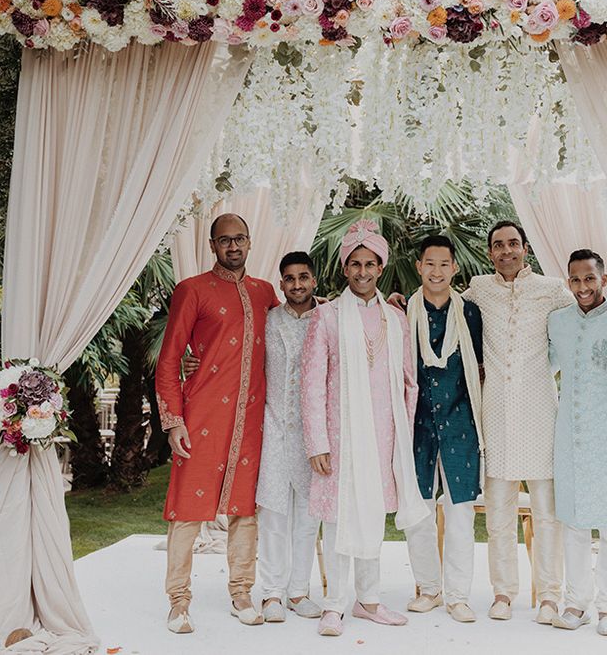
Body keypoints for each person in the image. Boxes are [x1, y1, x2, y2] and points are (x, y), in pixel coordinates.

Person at [301, 219, 428, 637]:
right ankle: (335, 603)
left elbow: (409, 381)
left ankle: (368, 599)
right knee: (339, 517)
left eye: (370, 264)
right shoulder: (327, 316)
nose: (362, 272)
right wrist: (317, 440)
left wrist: (402, 436)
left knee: (372, 514)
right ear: (344, 269)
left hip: (383, 435)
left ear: (381, 267)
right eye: (354, 264)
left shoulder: (396, 318)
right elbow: (312, 383)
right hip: (340, 436)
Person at [155, 213, 280, 633]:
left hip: (252, 419)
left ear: (250, 241)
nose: (233, 246)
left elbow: (295, 330)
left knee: (245, 509)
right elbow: (170, 358)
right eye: (224, 240)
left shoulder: (265, 292)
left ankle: (241, 591)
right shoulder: (191, 290)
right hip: (203, 413)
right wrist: (174, 421)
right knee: (187, 510)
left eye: (240, 238)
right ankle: (178, 600)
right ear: (212, 246)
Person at [462, 221, 573, 623]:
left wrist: (545, 369)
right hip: (496, 415)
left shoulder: (551, 289)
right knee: (499, 513)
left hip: (541, 412)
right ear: (490, 251)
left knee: (547, 513)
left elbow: (572, 330)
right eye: (498, 245)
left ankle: (548, 595)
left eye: (513, 243)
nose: (506, 250)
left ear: (525, 248)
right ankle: (503, 593)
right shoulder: (479, 289)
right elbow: (445, 307)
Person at [403, 235, 484, 623]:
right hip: (416, 426)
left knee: (461, 514)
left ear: (455, 268)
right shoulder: (402, 313)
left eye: (443, 264)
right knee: (418, 513)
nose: (436, 271)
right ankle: (428, 589)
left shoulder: (470, 314)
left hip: (460, 425)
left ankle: (458, 595)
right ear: (419, 267)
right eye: (429, 263)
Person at [256, 251, 322, 624]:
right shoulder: (268, 321)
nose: (297, 284)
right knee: (274, 512)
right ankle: (272, 594)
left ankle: (299, 591)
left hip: (314, 435)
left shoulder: (327, 319)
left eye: (303, 277)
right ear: (281, 283)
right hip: (274, 428)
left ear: (314, 280)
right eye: (290, 278)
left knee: (307, 517)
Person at [548, 249, 607, 636]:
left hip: (604, 438)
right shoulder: (558, 322)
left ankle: (605, 607)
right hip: (569, 436)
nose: (583, 287)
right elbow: (542, 365)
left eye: (589, 278)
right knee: (571, 522)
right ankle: (576, 603)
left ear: (603, 279)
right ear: (567, 282)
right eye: (575, 279)